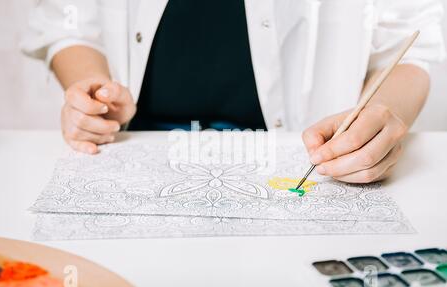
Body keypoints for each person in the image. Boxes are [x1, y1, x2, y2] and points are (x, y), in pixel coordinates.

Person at [22, 0, 445, 183]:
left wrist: (385, 113)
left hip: (308, 163)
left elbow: (411, 44)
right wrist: (93, 90)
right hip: (130, 147)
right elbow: (68, 18)